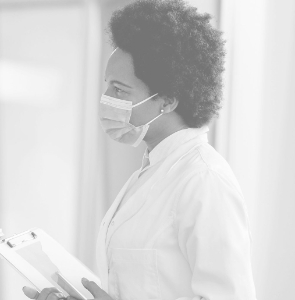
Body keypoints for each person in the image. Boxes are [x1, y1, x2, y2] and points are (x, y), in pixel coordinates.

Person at [24, 1, 256, 299]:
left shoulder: (204, 181)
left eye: (119, 90)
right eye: (107, 86)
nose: (106, 98)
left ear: (168, 100)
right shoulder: (151, 172)